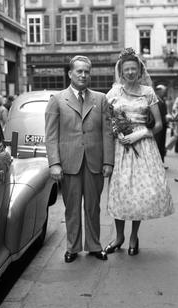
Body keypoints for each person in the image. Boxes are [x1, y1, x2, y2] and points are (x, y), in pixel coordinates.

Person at [104, 48, 174, 256]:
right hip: (120, 147)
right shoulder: (113, 93)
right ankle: (119, 237)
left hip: (143, 146)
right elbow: (107, 119)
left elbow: (159, 124)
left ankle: (133, 236)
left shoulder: (148, 92)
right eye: (127, 69)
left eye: (134, 68)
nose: (130, 72)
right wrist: (117, 132)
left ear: (140, 70)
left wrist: (141, 134)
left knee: (138, 195)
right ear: (121, 71)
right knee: (120, 193)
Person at [44, 55, 114, 263]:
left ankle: (94, 245)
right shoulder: (57, 100)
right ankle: (72, 248)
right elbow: (51, 135)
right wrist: (54, 163)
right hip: (69, 164)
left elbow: (107, 132)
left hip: (94, 163)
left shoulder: (100, 99)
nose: (83, 75)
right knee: (72, 208)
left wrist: (108, 161)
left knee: (93, 207)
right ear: (70, 74)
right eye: (79, 71)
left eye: (87, 71)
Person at [154, 84, 169, 166]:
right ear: (159, 91)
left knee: (161, 143)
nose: (165, 93)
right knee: (158, 143)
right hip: (159, 125)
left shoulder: (162, 100)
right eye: (163, 91)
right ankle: (159, 162)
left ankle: (161, 161)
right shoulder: (156, 100)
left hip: (163, 124)